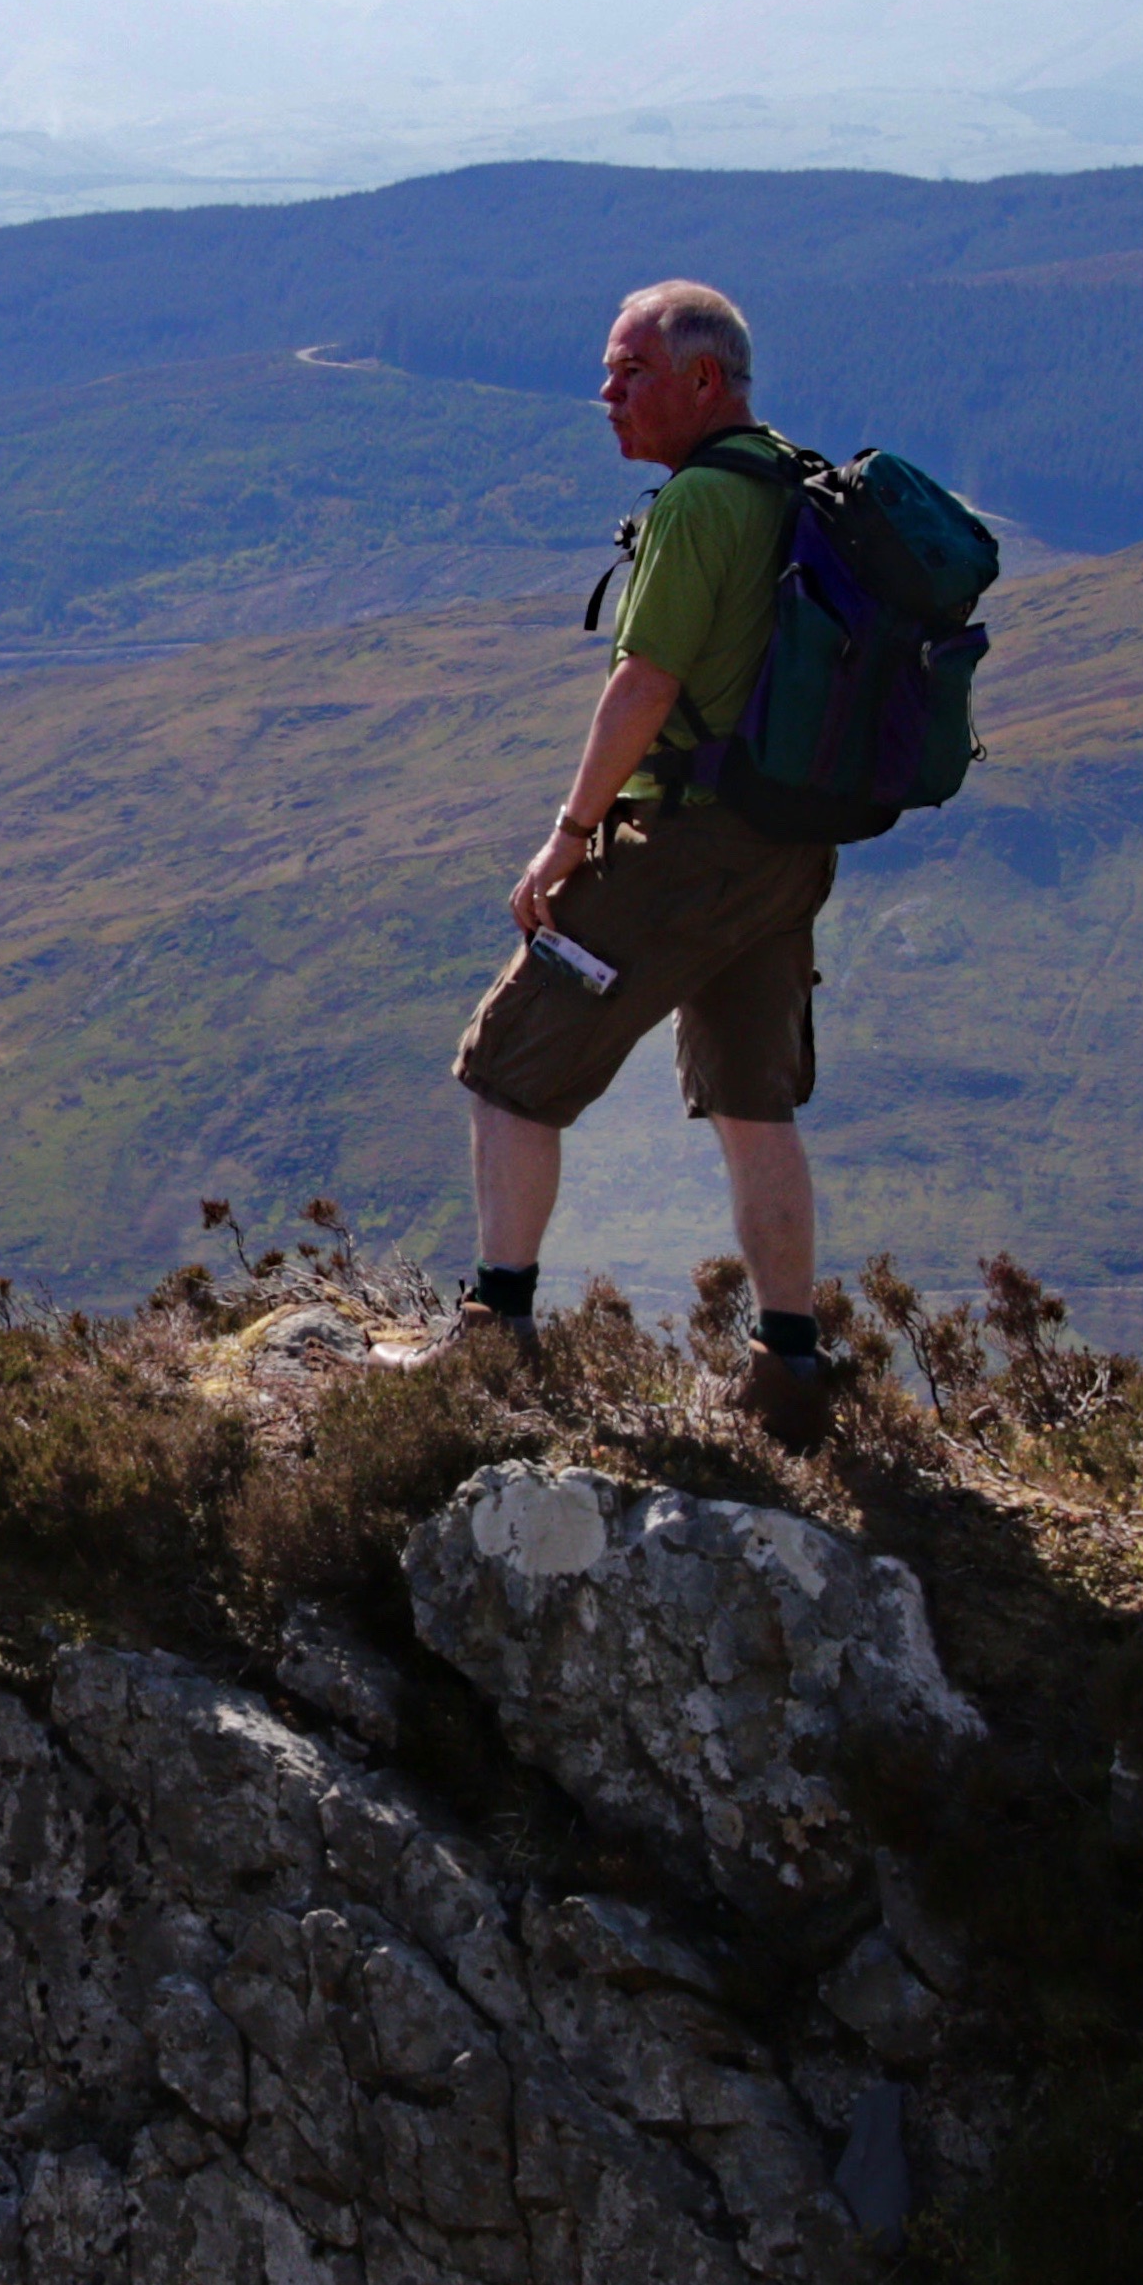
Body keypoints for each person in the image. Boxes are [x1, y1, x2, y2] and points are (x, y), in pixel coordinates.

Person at [439, 278, 839, 1447]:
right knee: (753, 1101)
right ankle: (790, 1362)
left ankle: (495, 1330)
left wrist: (569, 836)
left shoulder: (701, 506)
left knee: (509, 1064)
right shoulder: (787, 482)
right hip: (781, 847)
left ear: (702, 380)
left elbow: (645, 680)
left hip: (687, 845)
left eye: (631, 373)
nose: (605, 394)